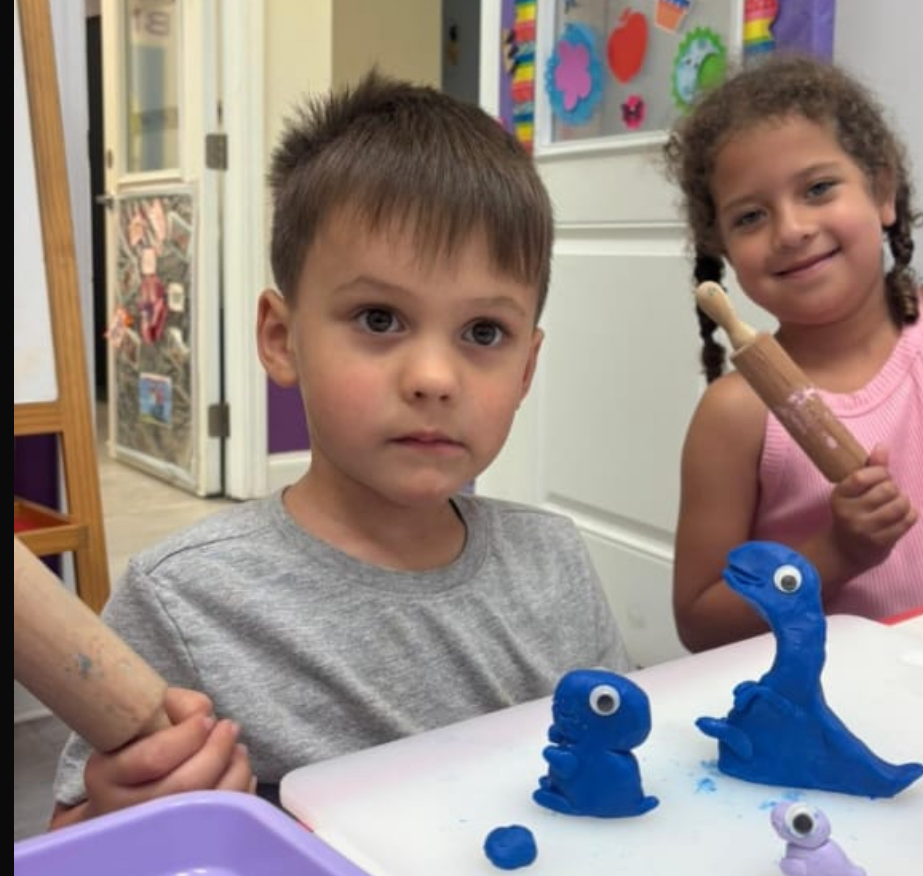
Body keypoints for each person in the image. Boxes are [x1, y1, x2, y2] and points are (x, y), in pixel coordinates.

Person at [50, 72, 630, 827]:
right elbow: (67, 844)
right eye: (379, 318)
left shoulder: (554, 565)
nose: (433, 378)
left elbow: (624, 759)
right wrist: (124, 808)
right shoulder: (187, 599)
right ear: (280, 338)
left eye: (484, 332)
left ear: (526, 369)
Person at [662, 52, 923, 651]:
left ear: (882, 191)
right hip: (822, 695)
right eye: (750, 216)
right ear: (722, 247)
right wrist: (834, 553)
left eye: (818, 188)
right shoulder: (735, 413)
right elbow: (700, 622)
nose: (792, 229)